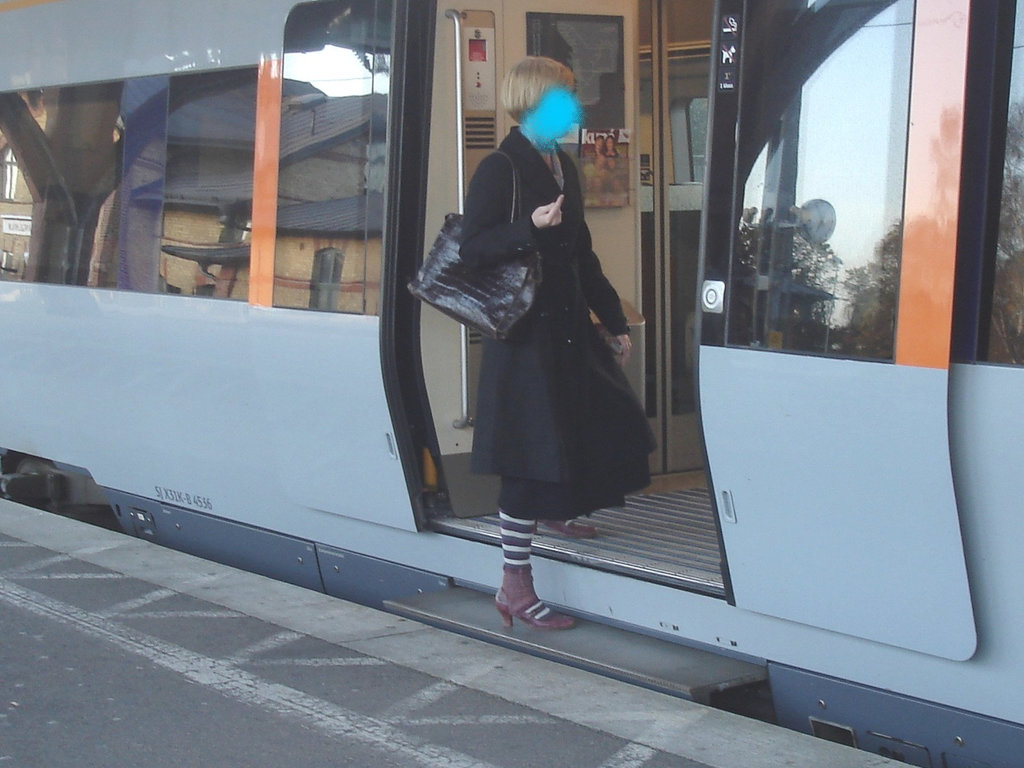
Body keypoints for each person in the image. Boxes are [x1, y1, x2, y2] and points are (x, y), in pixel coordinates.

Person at [459, 57, 655, 630]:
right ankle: (513, 584)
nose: (575, 108)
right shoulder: (501, 167)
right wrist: (530, 229)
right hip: (524, 337)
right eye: (564, 98)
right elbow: (473, 248)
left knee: (600, 420)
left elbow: (583, 254)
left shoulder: (561, 163)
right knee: (526, 457)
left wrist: (614, 320)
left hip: (568, 327)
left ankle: (558, 508)